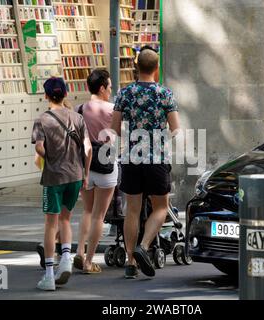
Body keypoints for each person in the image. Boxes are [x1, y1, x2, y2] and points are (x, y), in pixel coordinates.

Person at [111, 47, 180, 279]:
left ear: (137, 67)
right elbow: (175, 128)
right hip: (157, 158)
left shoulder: (124, 93)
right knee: (161, 207)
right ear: (156, 69)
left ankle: (130, 261)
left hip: (131, 157)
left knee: (132, 209)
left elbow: (114, 128)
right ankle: (144, 245)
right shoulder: (165, 94)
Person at [31, 77, 92, 291]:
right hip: (75, 176)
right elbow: (87, 149)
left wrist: (47, 154)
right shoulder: (78, 118)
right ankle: (66, 257)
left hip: (53, 177)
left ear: (46, 95)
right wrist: (85, 174)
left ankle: (48, 275)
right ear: (66, 94)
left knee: (51, 223)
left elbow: (39, 148)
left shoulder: (42, 120)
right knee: (66, 219)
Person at [73, 69, 118, 274]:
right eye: (109, 86)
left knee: (87, 211)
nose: (111, 90)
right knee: (99, 215)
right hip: (106, 164)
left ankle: (80, 252)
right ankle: (89, 262)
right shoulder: (112, 109)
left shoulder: (79, 109)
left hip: (85, 167)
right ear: (102, 88)